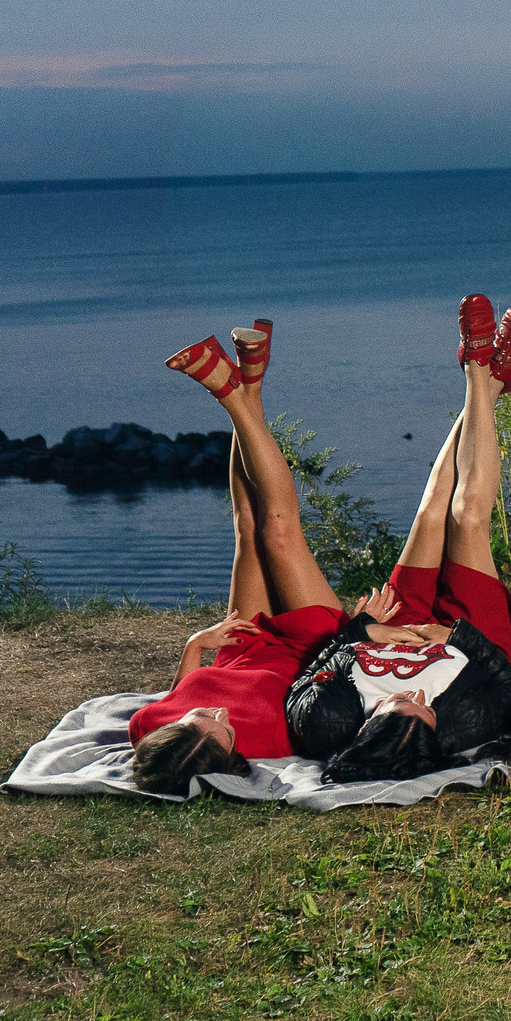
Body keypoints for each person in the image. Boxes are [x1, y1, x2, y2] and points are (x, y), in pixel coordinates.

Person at [280, 295, 511, 783]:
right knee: (466, 517)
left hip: (393, 624)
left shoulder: (321, 726)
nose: (418, 697)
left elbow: (306, 679)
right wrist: (457, 637)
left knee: (430, 511)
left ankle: (490, 377)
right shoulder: (465, 726)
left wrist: (358, 632)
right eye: (427, 711)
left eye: (403, 705)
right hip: (469, 637)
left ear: (366, 729)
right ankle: (481, 372)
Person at [130, 319, 343, 794]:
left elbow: (176, 693)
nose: (219, 712)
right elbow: (330, 696)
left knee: (248, 528)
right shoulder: (269, 743)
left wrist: (197, 644)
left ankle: (250, 384)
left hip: (240, 643)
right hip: (308, 646)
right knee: (279, 532)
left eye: (201, 716)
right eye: (224, 728)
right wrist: (358, 632)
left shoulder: (148, 727)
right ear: (231, 755)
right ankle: (233, 397)